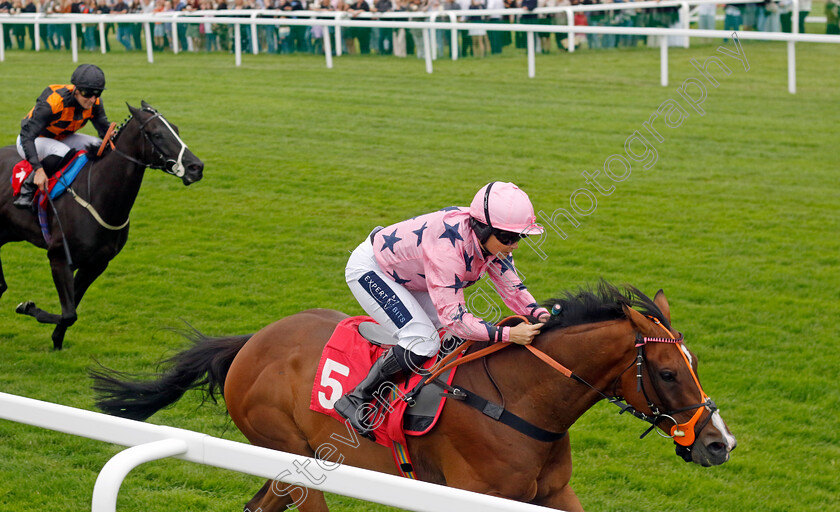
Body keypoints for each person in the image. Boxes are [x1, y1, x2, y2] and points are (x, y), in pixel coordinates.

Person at [334, 182, 550, 435]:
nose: (514, 245)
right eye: (508, 238)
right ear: (482, 229)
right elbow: (455, 319)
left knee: (449, 336)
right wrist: (508, 335)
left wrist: (539, 314)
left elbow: (512, 288)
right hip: (373, 270)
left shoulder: (491, 243)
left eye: (519, 237)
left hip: (411, 274)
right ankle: (356, 398)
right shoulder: (447, 251)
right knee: (423, 340)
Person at [14, 64, 110, 210]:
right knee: (61, 151)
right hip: (30, 141)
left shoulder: (95, 103)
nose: (92, 100)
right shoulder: (53, 102)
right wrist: (39, 169)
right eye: (87, 94)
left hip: (60, 138)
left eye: (97, 94)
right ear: (76, 90)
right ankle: (28, 188)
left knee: (98, 145)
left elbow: (104, 132)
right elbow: (27, 135)